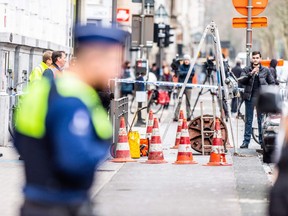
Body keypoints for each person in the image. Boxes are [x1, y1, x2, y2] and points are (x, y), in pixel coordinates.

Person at [14, 24, 127, 216]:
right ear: (95, 59)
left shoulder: (49, 90)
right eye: (115, 62)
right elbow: (75, 161)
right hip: (61, 204)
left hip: (37, 199)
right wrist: (102, 149)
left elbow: (20, 139)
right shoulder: (71, 99)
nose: (119, 71)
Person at [238, 51, 275, 149]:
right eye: (253, 57)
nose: (255, 59)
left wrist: (266, 89)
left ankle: (262, 142)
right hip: (249, 97)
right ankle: (246, 142)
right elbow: (241, 80)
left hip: (261, 98)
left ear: (260, 59)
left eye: (257, 57)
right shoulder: (246, 69)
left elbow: (272, 82)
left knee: (261, 121)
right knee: (248, 120)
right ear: (251, 59)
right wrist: (251, 74)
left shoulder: (266, 70)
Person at [174, 54, 194, 121]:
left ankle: (189, 116)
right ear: (184, 60)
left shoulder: (191, 67)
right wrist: (188, 73)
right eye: (185, 59)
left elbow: (192, 74)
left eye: (188, 60)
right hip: (180, 86)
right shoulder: (180, 67)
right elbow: (180, 73)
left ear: (189, 61)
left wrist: (185, 73)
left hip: (188, 87)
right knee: (178, 102)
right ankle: (176, 116)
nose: (186, 61)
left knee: (188, 102)